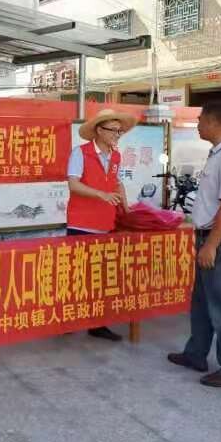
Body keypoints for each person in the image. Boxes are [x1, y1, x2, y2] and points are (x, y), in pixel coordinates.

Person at [168, 101, 221, 387]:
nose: (198, 125)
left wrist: (212, 245)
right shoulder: (218, 152)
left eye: (201, 119)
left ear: (215, 121)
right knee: (202, 302)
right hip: (209, 236)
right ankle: (196, 354)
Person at [67, 109, 136, 342]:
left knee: (101, 277)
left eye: (120, 131)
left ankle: (97, 324)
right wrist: (101, 195)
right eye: (113, 130)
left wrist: (126, 207)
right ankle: (67, 320)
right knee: (77, 276)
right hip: (82, 224)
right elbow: (73, 184)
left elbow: (117, 184)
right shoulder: (80, 153)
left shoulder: (115, 156)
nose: (117, 135)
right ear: (98, 130)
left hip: (106, 224)